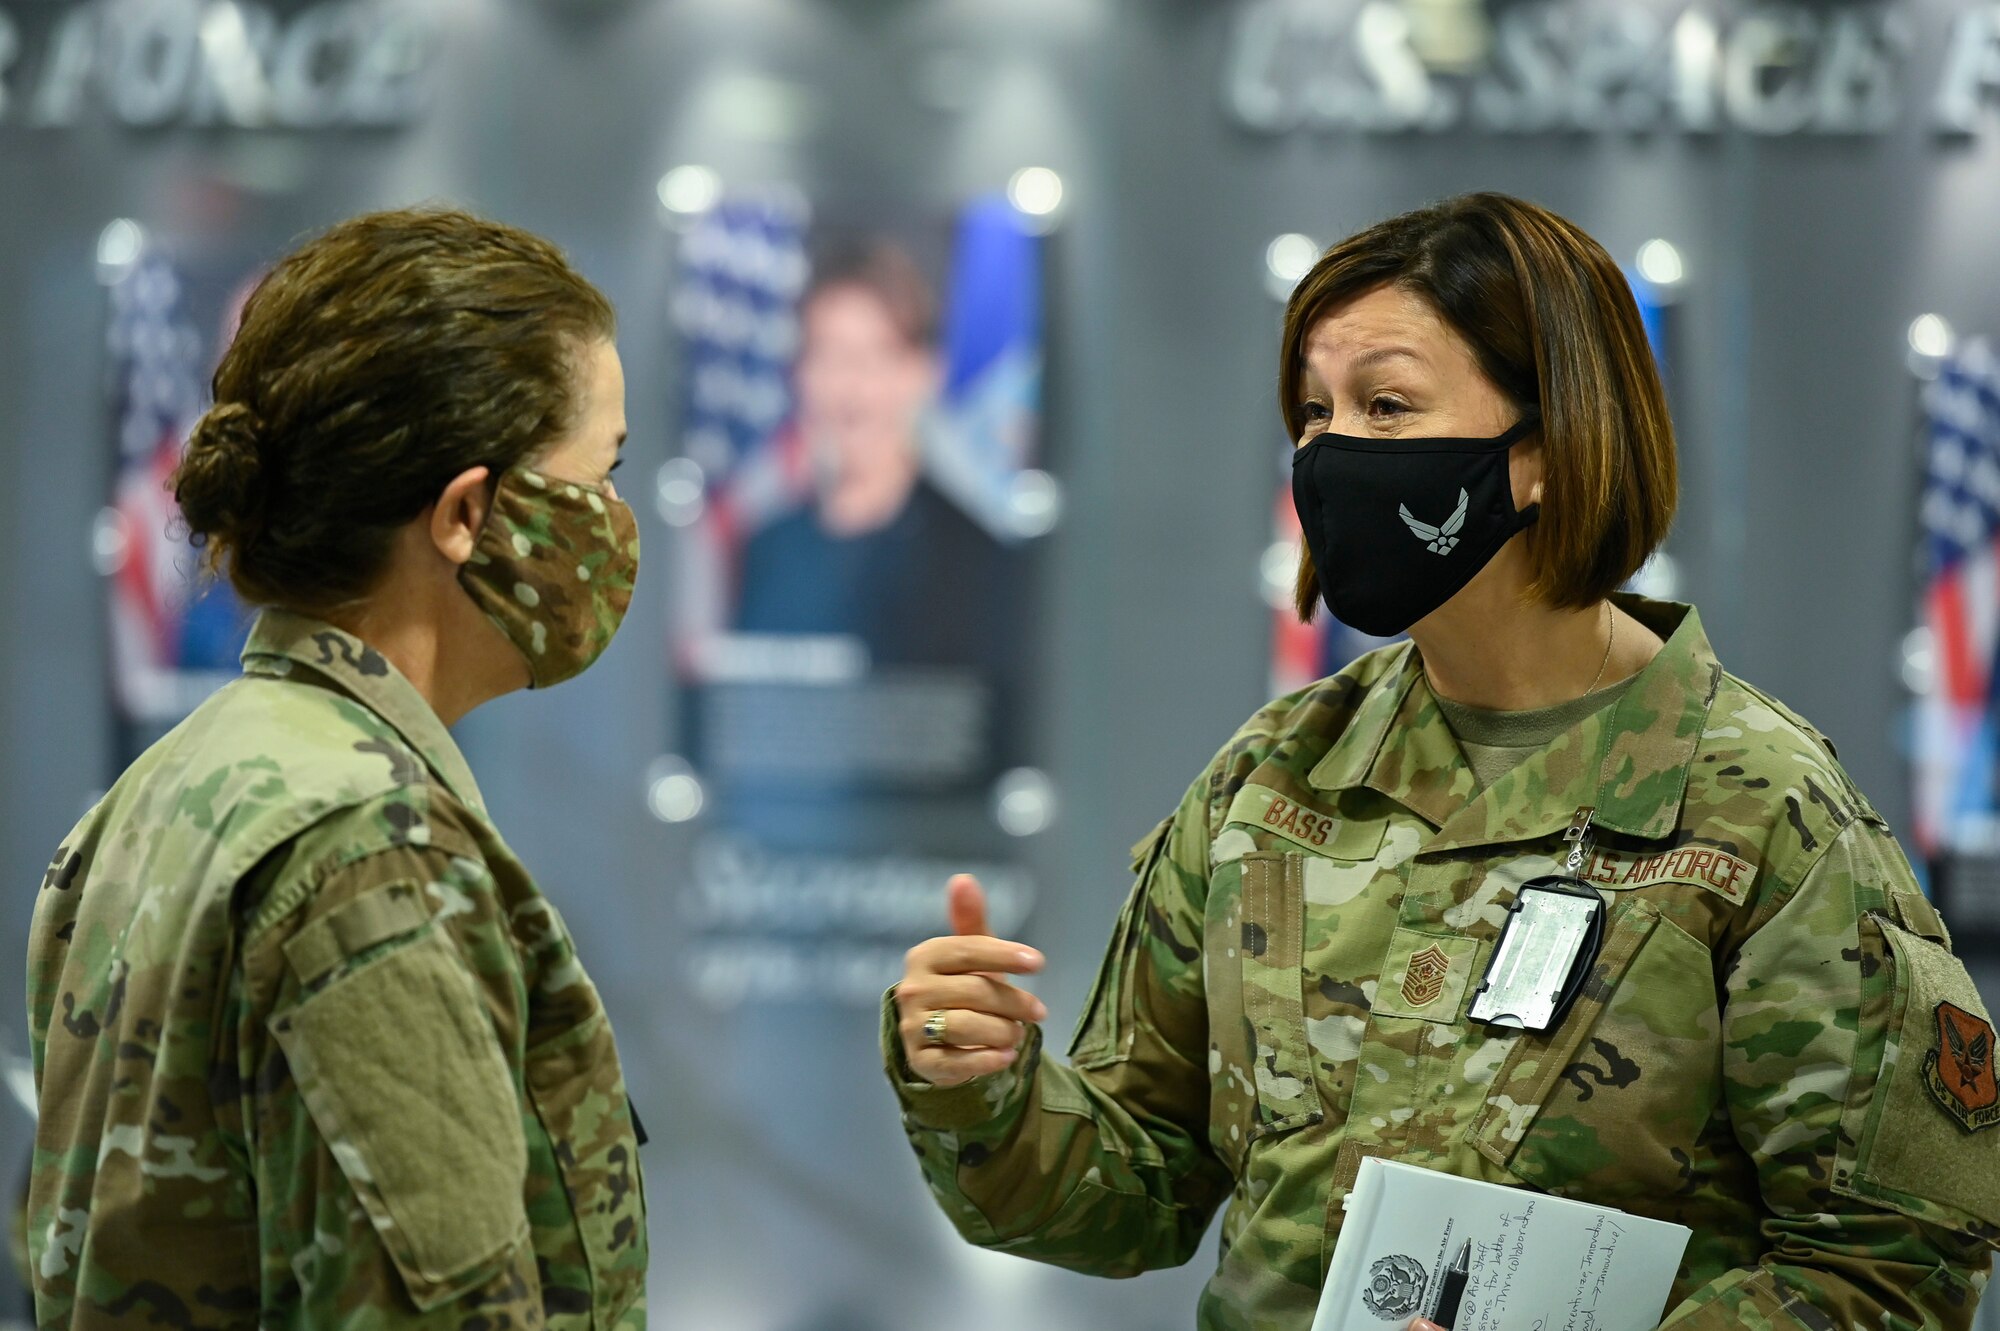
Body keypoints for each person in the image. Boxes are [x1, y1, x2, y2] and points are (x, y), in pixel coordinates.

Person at [884, 193, 2000, 1330]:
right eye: (1314, 413)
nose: (1329, 457)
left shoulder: (1761, 810)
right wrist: (980, 1090)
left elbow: (1887, 1273)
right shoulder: (1270, 779)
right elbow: (1139, 1193)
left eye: (1386, 404)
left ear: (1545, 451)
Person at [25, 209, 648, 1328]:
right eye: (600, 473)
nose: (615, 521)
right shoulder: (370, 849)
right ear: (468, 512)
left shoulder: (167, 786)